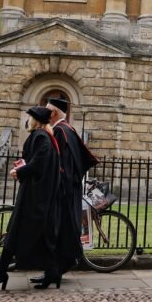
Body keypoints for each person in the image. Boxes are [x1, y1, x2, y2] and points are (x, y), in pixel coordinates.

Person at [0, 106, 61, 291]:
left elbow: (38, 163)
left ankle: (0, 274)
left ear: (36, 120)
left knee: (16, 234)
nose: (27, 120)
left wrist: (18, 171)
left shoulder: (41, 136)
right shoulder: (44, 136)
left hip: (34, 197)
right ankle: (52, 272)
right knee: (37, 236)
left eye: (29, 117)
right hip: (37, 195)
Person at [43, 97, 99, 280]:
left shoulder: (59, 131)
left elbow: (60, 164)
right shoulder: (69, 129)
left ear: (53, 113)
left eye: (46, 110)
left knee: (59, 230)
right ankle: (54, 271)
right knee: (62, 230)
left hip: (63, 190)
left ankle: (56, 270)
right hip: (71, 187)